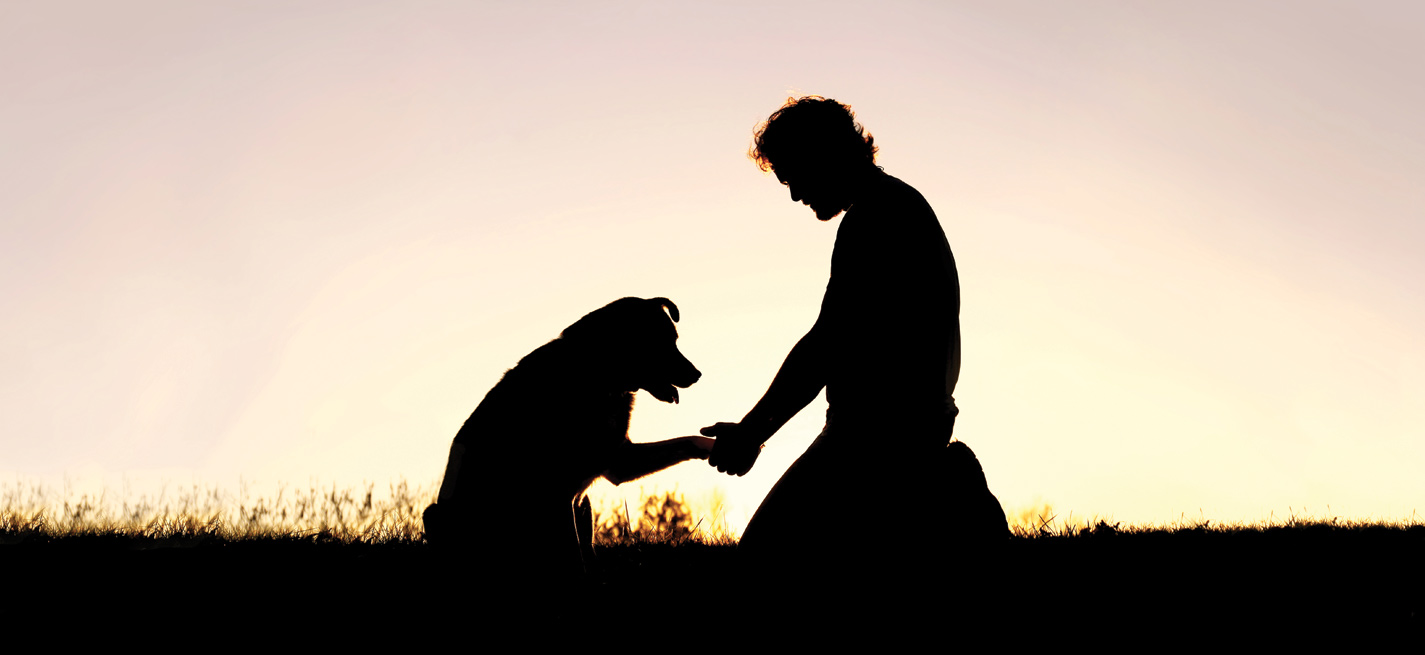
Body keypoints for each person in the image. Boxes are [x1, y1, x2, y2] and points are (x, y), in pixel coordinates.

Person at [704, 97, 999, 575]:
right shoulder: (898, 205)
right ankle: (946, 493)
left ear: (824, 154)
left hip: (874, 441)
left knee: (761, 565)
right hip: (904, 429)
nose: (796, 194)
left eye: (793, 175)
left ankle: (951, 494)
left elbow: (827, 344)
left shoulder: (876, 218)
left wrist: (753, 433)